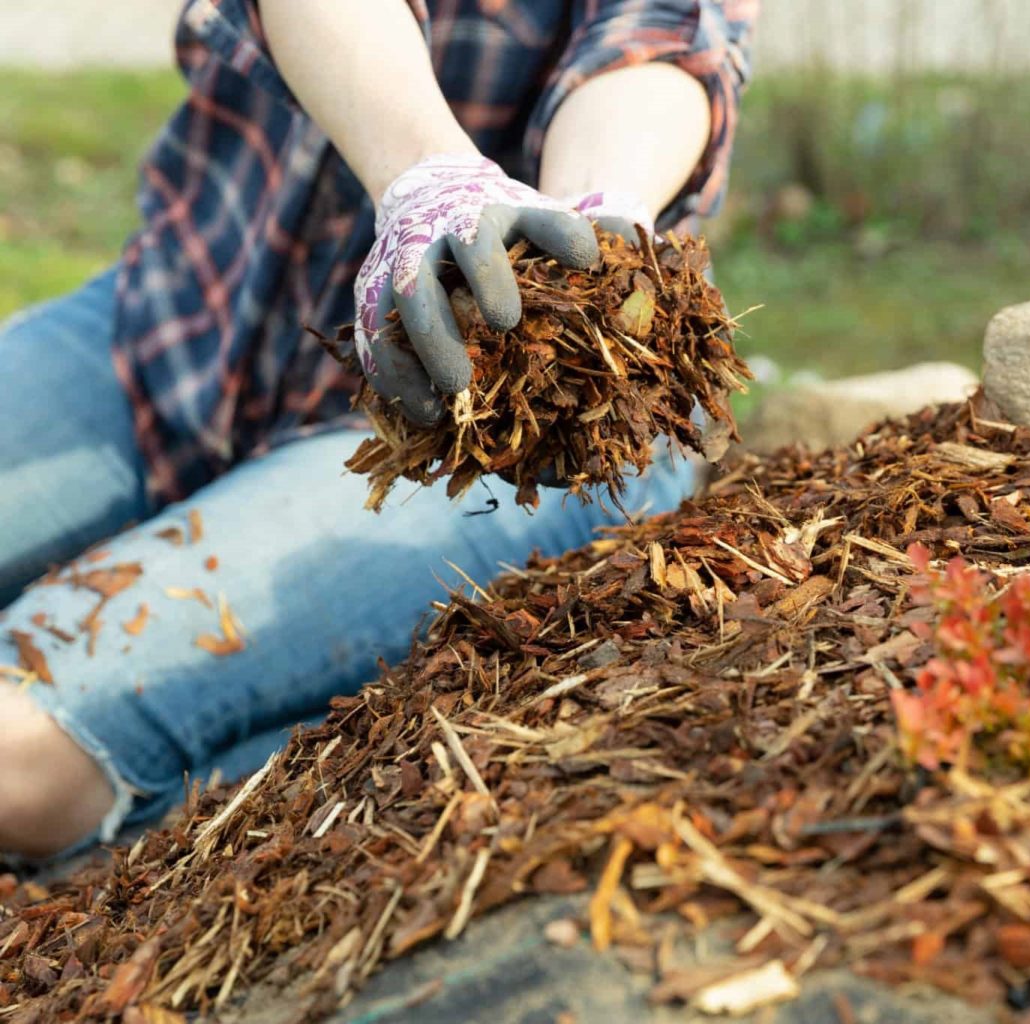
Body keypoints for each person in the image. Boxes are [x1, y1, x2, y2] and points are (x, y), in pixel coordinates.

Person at [0, 0, 757, 860]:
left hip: (482, 434)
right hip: (184, 318)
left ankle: (265, 776)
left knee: (19, 759)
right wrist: (429, 180)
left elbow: (658, 40)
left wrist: (595, 215)